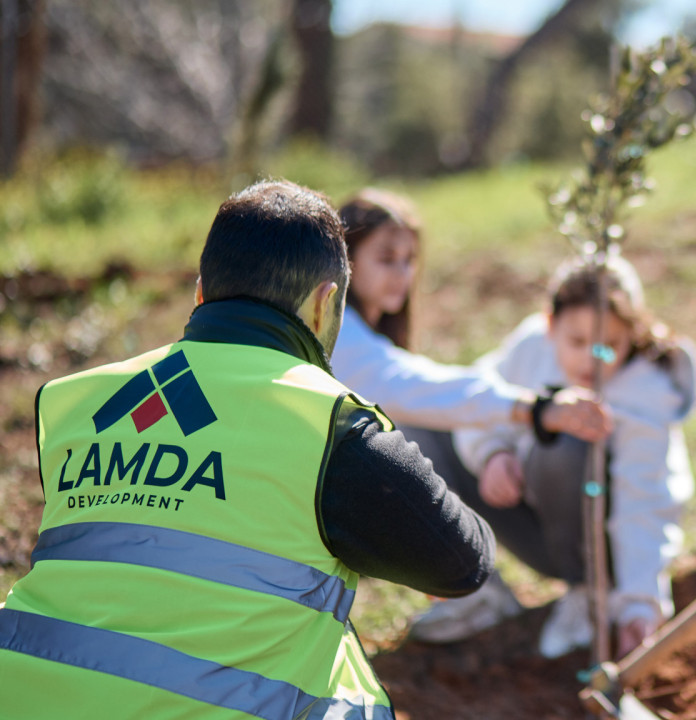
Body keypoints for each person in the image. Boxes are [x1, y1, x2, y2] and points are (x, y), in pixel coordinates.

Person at [0, 179, 496, 719]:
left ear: (199, 292)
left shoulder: (75, 400)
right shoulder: (327, 423)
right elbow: (461, 564)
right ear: (325, 305)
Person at [329, 188, 614, 639]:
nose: (402, 274)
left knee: (416, 426)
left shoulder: (362, 332)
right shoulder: (338, 334)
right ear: (345, 261)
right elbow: (411, 387)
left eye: (410, 259)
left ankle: (477, 594)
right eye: (386, 258)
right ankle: (470, 592)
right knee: (404, 426)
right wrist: (533, 409)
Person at [409, 253, 696, 659]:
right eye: (577, 342)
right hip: (533, 522)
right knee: (420, 427)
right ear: (550, 325)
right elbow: (475, 402)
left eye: (609, 346)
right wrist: (493, 453)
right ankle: (478, 591)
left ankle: (589, 592)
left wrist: (640, 604)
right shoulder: (531, 346)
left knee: (567, 441)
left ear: (633, 333)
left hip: (600, 544)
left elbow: (644, 501)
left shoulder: (646, 395)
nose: (591, 361)